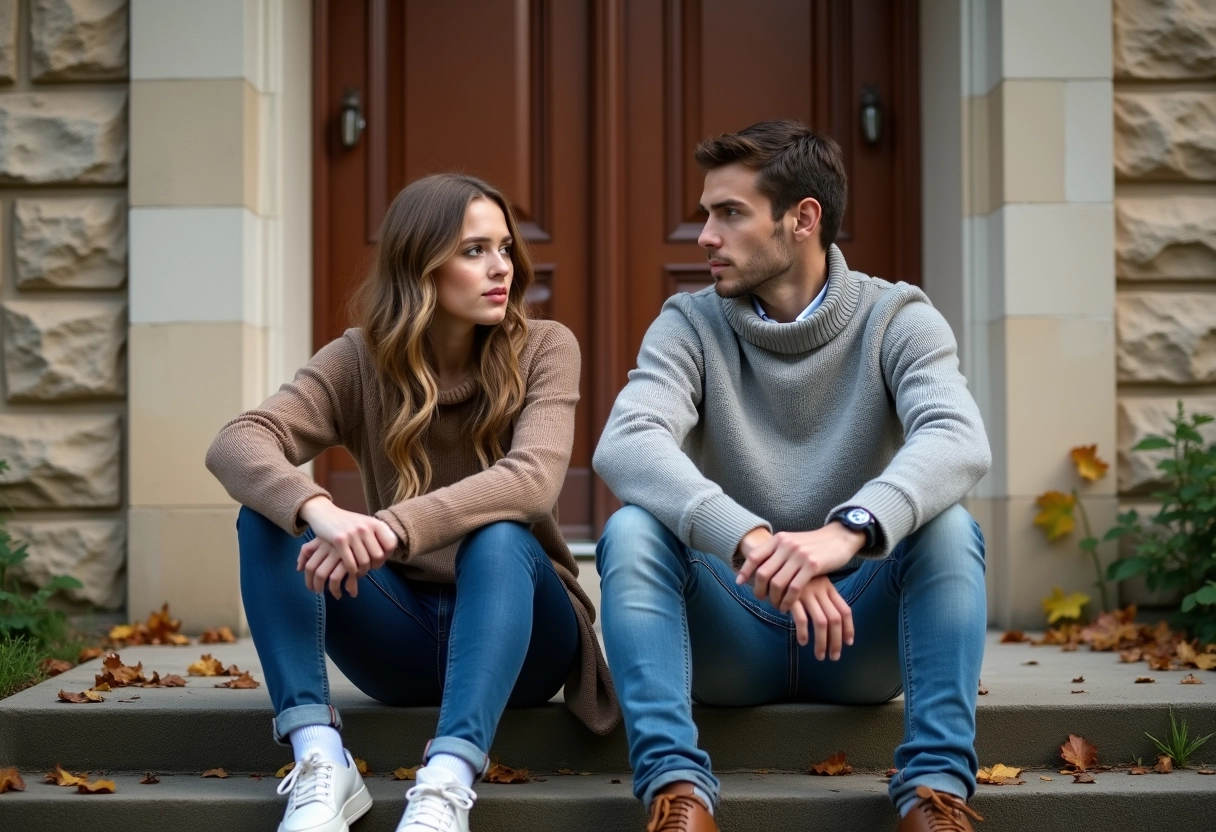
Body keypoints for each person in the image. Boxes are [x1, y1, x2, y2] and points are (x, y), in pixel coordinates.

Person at [592, 120, 991, 832]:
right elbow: (627, 442)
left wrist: (848, 532)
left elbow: (957, 438)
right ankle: (676, 790)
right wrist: (751, 540)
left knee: (951, 528)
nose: (704, 236)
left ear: (802, 218)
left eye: (730, 213)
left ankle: (934, 795)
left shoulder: (897, 316)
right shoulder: (688, 324)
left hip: (858, 635)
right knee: (630, 529)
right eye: (708, 213)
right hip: (730, 634)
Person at [206, 173, 617, 832]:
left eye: (504, 249)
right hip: (401, 637)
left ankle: (448, 782)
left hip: (526, 640)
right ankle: (320, 759)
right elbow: (238, 441)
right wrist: (318, 508)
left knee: (501, 533)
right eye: (474, 250)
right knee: (268, 514)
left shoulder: (545, 347)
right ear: (420, 264)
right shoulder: (360, 360)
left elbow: (533, 480)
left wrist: (392, 528)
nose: (500, 269)